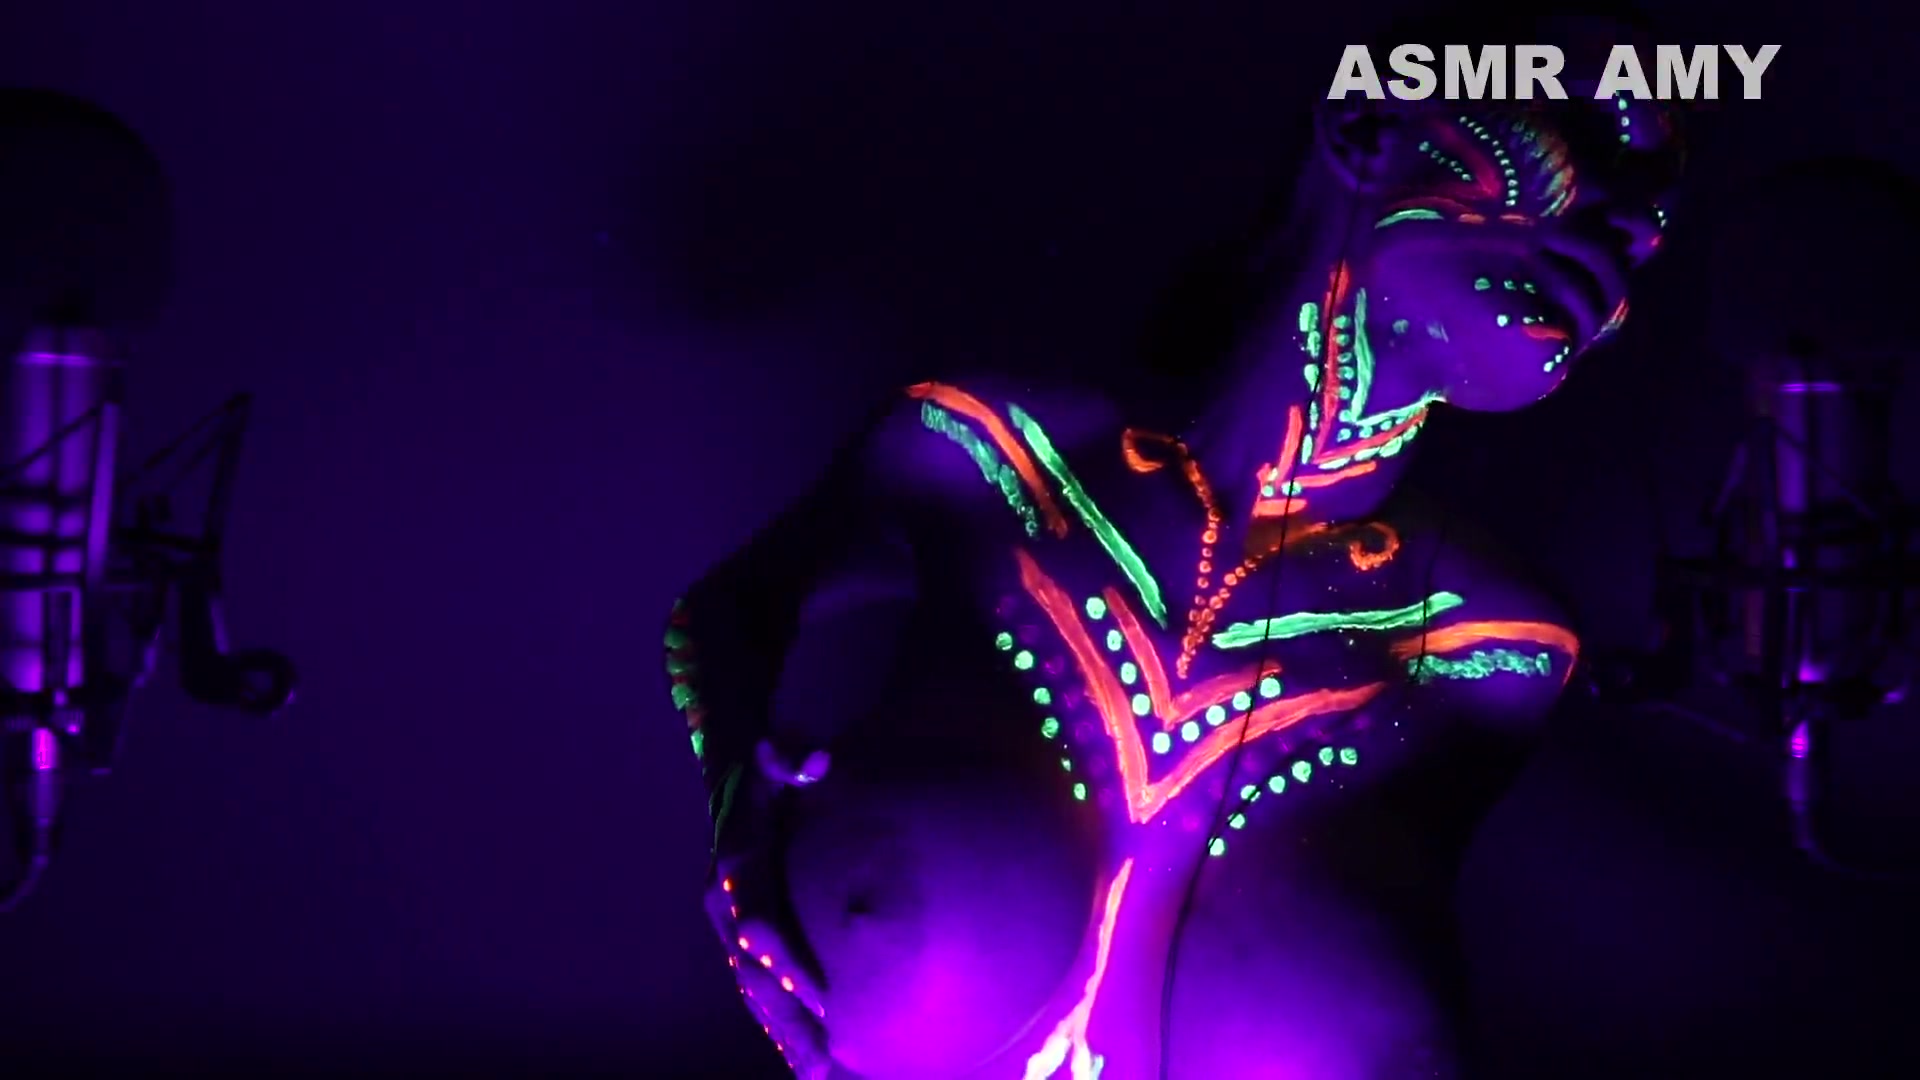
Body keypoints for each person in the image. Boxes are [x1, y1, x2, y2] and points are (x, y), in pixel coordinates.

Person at [662, 16, 1681, 1078]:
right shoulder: (991, 456)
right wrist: (741, 820)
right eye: (1578, 136)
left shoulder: (1494, 657)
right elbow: (727, 613)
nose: (1633, 232)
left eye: (1654, 220)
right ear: (1367, 129)